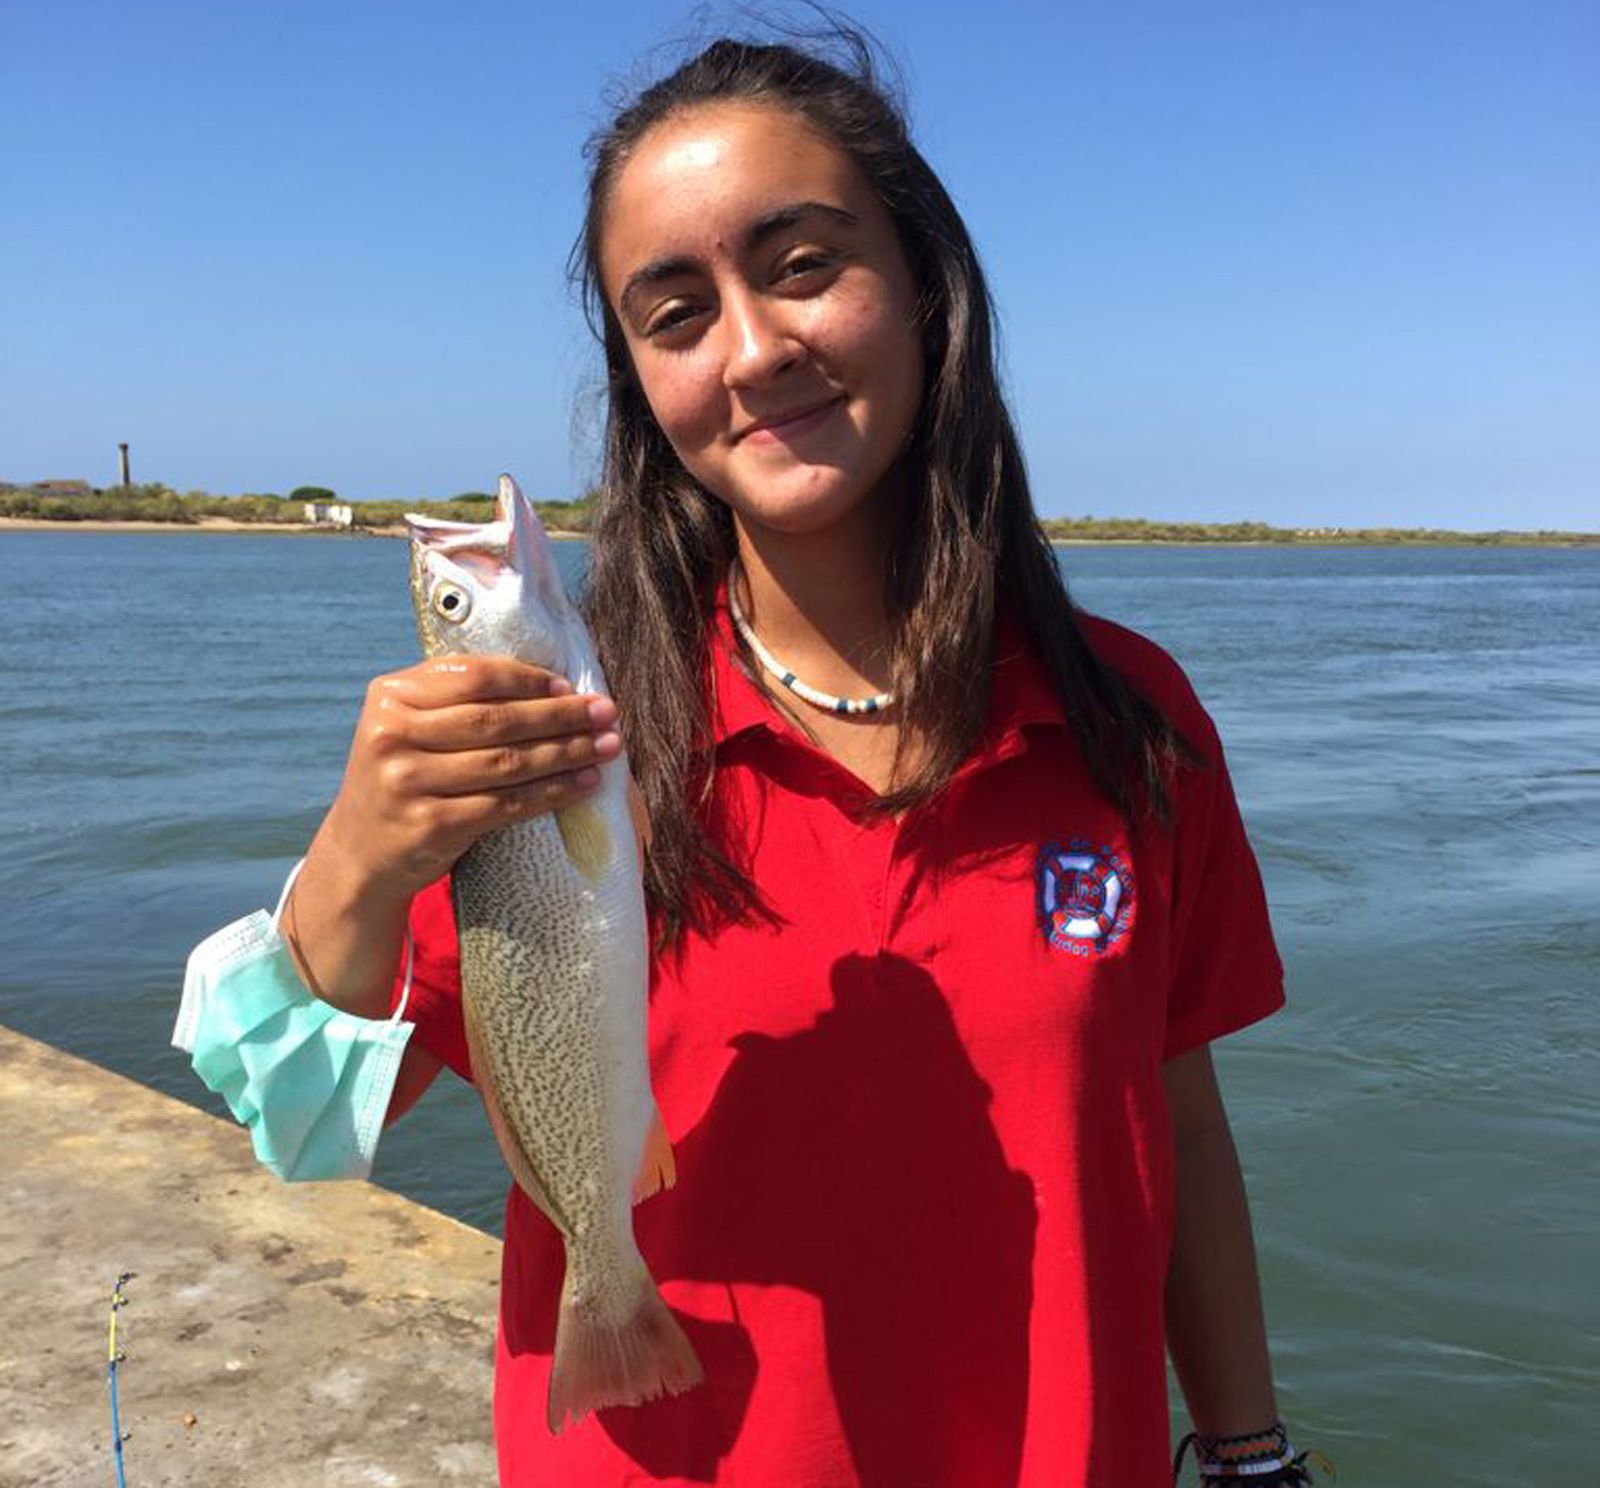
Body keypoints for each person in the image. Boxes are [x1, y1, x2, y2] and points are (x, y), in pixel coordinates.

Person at [281, 28, 1313, 1488]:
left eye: (806, 264)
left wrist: (1252, 1452)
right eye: (676, 314)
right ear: (640, 380)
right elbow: (316, 1118)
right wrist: (361, 855)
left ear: (928, 283)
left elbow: (1179, 1129)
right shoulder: (565, 741)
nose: (755, 349)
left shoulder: (1128, 717)